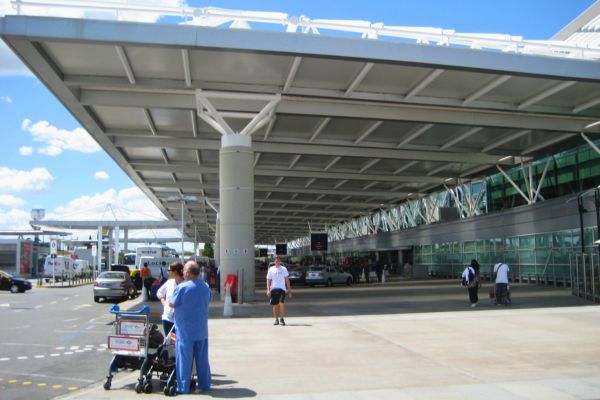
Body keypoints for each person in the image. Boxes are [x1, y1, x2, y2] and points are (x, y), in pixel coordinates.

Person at [169, 261, 211, 394]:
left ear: (187, 273)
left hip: (185, 331)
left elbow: (172, 303)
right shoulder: (205, 287)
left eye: (184, 272)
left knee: (184, 361)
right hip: (201, 329)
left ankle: (183, 387)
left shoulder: (182, 287)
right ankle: (205, 384)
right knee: (202, 359)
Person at [156, 261, 184, 335]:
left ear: (175, 272)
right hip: (167, 318)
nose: (167, 272)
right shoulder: (169, 282)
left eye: (169, 270)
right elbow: (159, 293)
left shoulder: (186, 284)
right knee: (169, 343)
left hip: (181, 320)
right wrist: (164, 304)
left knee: (180, 343)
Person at [266, 257, 292, 326]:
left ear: (280, 261)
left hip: (282, 289)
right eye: (276, 261)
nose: (277, 262)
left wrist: (289, 290)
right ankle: (276, 319)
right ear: (274, 262)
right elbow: (268, 280)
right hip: (273, 289)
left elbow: (287, 279)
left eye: (278, 261)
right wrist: (268, 289)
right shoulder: (271, 269)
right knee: (275, 305)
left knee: (281, 304)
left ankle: (282, 319)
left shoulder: (284, 269)